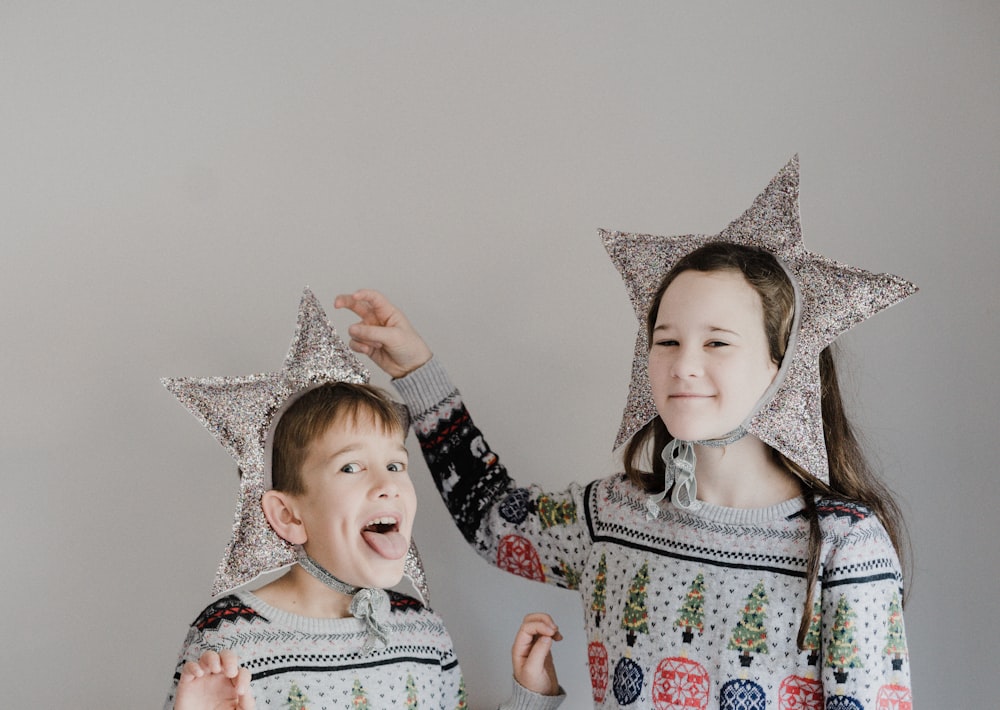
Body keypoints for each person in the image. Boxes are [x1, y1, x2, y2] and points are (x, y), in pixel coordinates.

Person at [335, 159, 916, 708]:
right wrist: (416, 372)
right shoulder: (615, 513)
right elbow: (492, 518)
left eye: (717, 342)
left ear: (782, 364)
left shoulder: (844, 544)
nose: (684, 364)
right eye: (666, 341)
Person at [162, 290, 566, 710]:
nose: (387, 484)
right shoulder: (226, 641)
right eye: (351, 468)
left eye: (395, 465)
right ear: (288, 515)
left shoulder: (423, 631)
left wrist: (531, 698)